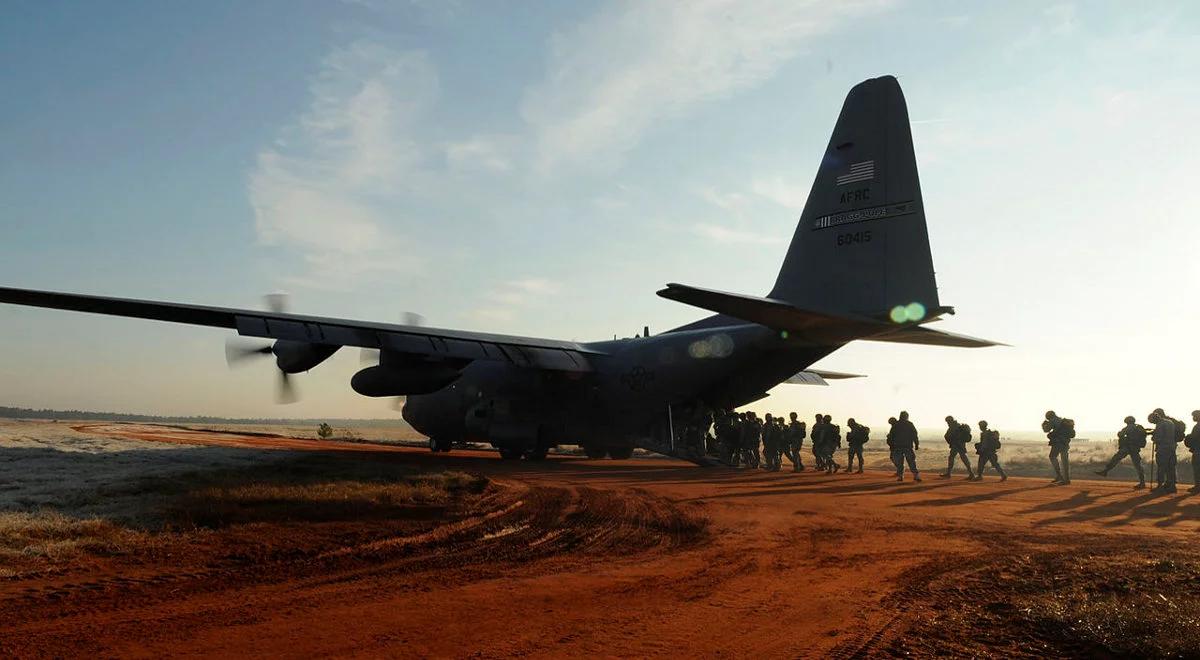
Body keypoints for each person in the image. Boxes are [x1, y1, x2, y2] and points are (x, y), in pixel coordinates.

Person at [1094, 416, 1147, 489]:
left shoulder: (1128, 427)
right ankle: (1142, 482)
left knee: (1115, 459)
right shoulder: (1139, 427)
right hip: (1135, 448)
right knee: (1137, 465)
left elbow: (1121, 434)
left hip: (1127, 447)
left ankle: (1105, 471)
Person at [1149, 408, 1179, 494]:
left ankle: (1160, 486)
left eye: (1152, 422)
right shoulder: (1170, 422)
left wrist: (1153, 438)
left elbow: (1158, 438)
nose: (1153, 423)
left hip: (1163, 448)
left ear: (1155, 419)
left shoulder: (1160, 424)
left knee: (1161, 467)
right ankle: (1172, 486)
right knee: (1171, 467)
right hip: (1172, 447)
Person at [1043, 410, 1075, 485]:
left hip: (1058, 443)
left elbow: (1046, 430)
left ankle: (1059, 475)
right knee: (1064, 461)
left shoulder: (1053, 420)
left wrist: (1044, 425)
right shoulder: (1061, 420)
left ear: (1049, 416)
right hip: (1065, 443)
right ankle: (1066, 479)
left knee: (1052, 457)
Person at [939, 416, 976, 480]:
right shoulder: (955, 426)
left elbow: (949, 435)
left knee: (962, 458)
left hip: (957, 445)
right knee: (955, 457)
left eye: (947, 421)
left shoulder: (954, 426)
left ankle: (971, 474)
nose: (947, 423)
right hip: (957, 445)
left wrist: (952, 441)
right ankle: (949, 473)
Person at [891, 411, 921, 482]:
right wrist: (916, 444)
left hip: (898, 447)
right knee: (911, 462)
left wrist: (892, 446)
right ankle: (915, 476)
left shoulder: (896, 424)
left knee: (900, 463)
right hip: (907, 446)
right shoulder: (909, 424)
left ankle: (901, 476)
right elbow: (914, 435)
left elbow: (891, 436)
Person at [1186, 410, 1200, 494]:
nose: (1193, 418)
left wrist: (1188, 437)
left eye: (1194, 416)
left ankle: (1197, 487)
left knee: (1197, 469)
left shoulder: (1197, 426)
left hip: (1198, 450)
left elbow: (1194, 438)